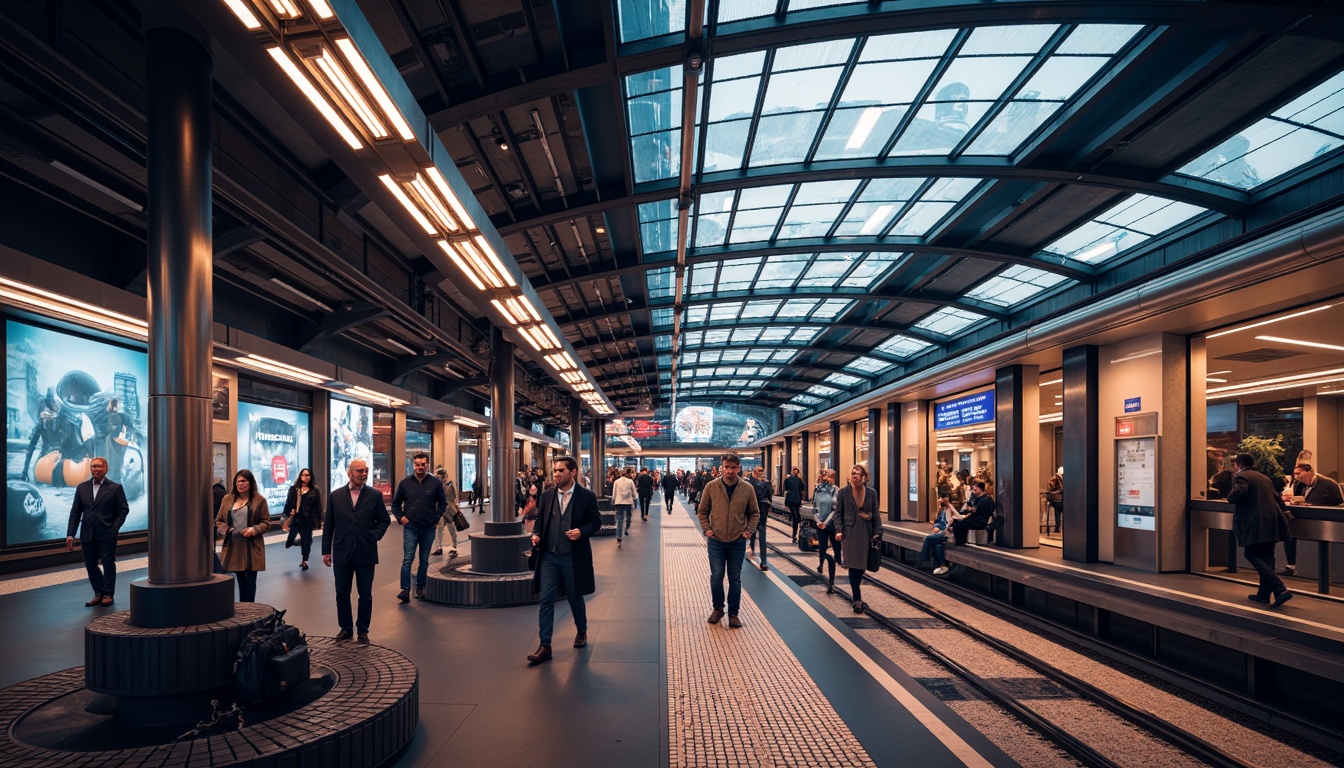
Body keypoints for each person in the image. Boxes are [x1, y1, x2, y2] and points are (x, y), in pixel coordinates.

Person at [527, 457, 601, 665]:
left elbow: (596, 522)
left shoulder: (586, 497)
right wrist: (536, 534)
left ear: (573, 472)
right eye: (555, 471)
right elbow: (541, 520)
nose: (556, 474)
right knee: (546, 599)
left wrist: (581, 531)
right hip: (549, 555)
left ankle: (581, 630)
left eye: (561, 470)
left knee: (575, 597)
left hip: (573, 556)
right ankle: (545, 645)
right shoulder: (548, 495)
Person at [323, 458, 392, 643]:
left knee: (365, 593)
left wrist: (375, 535)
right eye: (360, 471)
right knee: (342, 593)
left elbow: (384, 520)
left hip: (366, 553)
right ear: (350, 473)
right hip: (342, 552)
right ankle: (345, 628)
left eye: (366, 471)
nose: (364, 474)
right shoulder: (335, 496)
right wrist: (325, 551)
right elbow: (329, 525)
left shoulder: (374, 495)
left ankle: (363, 630)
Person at [697, 453, 759, 629]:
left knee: (735, 578)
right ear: (722, 467)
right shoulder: (711, 487)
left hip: (737, 541)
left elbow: (754, 513)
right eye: (726, 466)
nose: (729, 470)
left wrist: (748, 532)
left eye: (732, 467)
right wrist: (707, 529)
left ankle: (734, 613)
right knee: (716, 577)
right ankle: (718, 608)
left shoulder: (747, 489)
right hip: (716, 540)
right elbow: (702, 511)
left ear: (738, 468)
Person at [1227, 452, 1292, 608]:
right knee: (1267, 557)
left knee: (1251, 553)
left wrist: (1230, 496)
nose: (1235, 467)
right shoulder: (1264, 477)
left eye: (1235, 464)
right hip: (1271, 522)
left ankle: (1280, 588)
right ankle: (1263, 595)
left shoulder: (1241, 477)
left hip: (1254, 523)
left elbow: (1238, 493)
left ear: (1240, 465)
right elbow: (1277, 497)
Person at [65, 456, 129, 607]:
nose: (96, 469)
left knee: (108, 563)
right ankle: (98, 592)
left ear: (106, 468)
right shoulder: (82, 488)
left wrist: (114, 528)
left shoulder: (115, 488)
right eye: (93, 466)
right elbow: (75, 512)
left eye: (99, 466)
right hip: (87, 533)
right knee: (90, 565)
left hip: (107, 533)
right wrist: (70, 534)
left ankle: (108, 594)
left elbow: (123, 510)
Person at [392, 452, 448, 602]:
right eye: (417, 464)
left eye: (423, 464)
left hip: (428, 527)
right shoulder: (405, 483)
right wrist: (400, 517)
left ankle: (420, 588)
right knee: (408, 558)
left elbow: (443, 503)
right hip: (411, 527)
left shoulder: (435, 483)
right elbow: (395, 504)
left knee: (424, 560)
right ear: (413, 465)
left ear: (427, 465)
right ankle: (405, 590)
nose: (420, 467)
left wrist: (436, 518)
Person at [214, 469, 271, 602]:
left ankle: (251, 607)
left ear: (250, 483)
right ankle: (244, 607)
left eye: (244, 481)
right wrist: (224, 529)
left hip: (252, 546)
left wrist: (254, 529)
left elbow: (266, 522)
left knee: (251, 581)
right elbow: (218, 520)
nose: (241, 484)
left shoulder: (259, 500)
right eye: (238, 481)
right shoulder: (227, 499)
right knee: (240, 580)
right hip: (234, 544)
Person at [1281, 462, 1343, 576]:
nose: (1296, 477)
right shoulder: (1298, 484)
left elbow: (1339, 502)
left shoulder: (1328, 484)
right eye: (1295, 474)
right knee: (1289, 536)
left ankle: (1325, 573)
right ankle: (1291, 565)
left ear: (1309, 471)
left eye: (1298, 473)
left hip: (1322, 519)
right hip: (1304, 517)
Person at [834, 464, 879, 613]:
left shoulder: (871, 493)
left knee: (861, 567)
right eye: (852, 473)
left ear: (864, 477)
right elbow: (838, 514)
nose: (854, 476)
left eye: (857, 474)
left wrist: (878, 532)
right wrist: (839, 530)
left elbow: (876, 514)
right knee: (853, 566)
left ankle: (857, 596)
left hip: (865, 533)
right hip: (850, 534)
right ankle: (857, 599)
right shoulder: (843, 492)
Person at [281, 467, 322, 570]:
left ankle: (305, 561)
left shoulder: (314, 491)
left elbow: (318, 506)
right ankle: (295, 542)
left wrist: (319, 521)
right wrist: (285, 514)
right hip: (296, 518)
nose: (306, 477)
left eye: (308, 475)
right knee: (290, 539)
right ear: (300, 476)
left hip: (308, 519)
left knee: (306, 540)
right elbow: (288, 503)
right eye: (304, 475)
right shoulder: (294, 489)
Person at [811, 469, 839, 591]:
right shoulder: (817, 490)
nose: (827, 479)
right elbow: (814, 507)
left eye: (830, 476)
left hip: (833, 525)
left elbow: (835, 508)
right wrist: (818, 521)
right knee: (823, 548)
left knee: (834, 552)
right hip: (820, 523)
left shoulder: (836, 490)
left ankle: (831, 580)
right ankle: (821, 563)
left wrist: (826, 523)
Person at [746, 465, 773, 571]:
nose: (761, 472)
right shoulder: (767, 482)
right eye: (760, 470)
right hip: (761, 510)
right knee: (760, 534)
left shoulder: (749, 482)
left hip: (755, 511)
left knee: (755, 532)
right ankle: (762, 560)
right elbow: (770, 496)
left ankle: (756, 556)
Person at [950, 481, 995, 545]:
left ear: (981, 489)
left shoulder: (986, 499)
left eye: (976, 488)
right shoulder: (977, 498)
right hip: (975, 518)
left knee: (961, 523)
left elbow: (977, 510)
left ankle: (960, 542)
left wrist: (970, 511)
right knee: (957, 521)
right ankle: (959, 540)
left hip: (980, 521)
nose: (974, 489)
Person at [920, 495, 954, 575]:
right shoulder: (943, 510)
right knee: (937, 545)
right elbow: (937, 520)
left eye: (943, 499)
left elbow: (949, 523)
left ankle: (923, 560)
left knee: (928, 538)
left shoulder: (951, 509)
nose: (941, 500)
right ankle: (942, 566)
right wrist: (939, 507)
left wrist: (940, 528)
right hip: (943, 532)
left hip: (947, 533)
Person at [432, 467, 460, 558]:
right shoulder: (436, 486)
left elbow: (454, 498)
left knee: (451, 529)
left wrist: (454, 507)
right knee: (439, 530)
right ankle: (439, 548)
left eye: (439, 477)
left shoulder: (449, 485)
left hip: (449, 511)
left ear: (443, 476)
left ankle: (454, 546)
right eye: (437, 477)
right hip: (440, 511)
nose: (438, 478)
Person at [611, 466, 636, 546]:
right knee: (629, 516)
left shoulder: (616, 482)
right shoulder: (630, 481)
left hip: (619, 502)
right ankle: (626, 528)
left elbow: (614, 493)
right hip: (628, 502)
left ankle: (619, 538)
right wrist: (635, 500)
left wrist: (613, 500)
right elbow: (634, 492)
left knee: (619, 520)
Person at [783, 466, 805, 542]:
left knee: (795, 517)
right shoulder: (799, 481)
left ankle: (794, 535)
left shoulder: (788, 480)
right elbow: (802, 490)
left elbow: (786, 489)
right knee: (796, 517)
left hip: (790, 500)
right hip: (797, 500)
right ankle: (795, 535)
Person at [1043, 468, 1064, 534]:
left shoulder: (1054, 479)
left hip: (1056, 500)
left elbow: (1049, 489)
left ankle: (1057, 528)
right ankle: (1058, 528)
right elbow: (1061, 489)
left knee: (1057, 514)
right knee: (1059, 514)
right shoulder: (1058, 479)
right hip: (1059, 500)